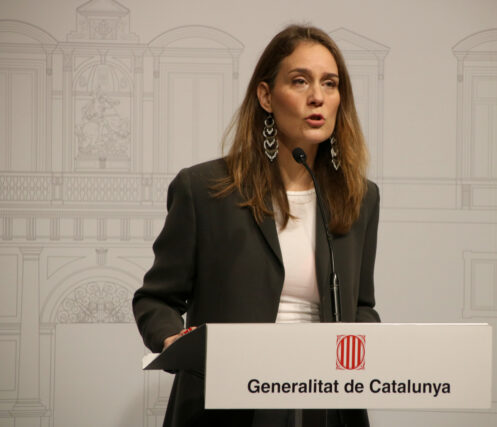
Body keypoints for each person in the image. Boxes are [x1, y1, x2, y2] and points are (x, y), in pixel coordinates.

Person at [132, 24, 380, 427]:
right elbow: (156, 299)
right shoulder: (204, 189)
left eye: (330, 83)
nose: (317, 96)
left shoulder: (360, 196)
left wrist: (371, 346)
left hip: (326, 402)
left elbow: (361, 306)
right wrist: (172, 338)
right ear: (266, 96)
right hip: (229, 402)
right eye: (299, 81)